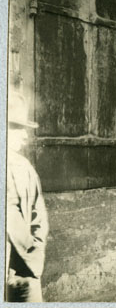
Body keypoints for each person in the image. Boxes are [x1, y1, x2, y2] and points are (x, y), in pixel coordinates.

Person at [5, 93, 48, 302]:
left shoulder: (24, 168)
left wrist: (34, 259)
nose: (25, 136)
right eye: (16, 127)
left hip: (23, 274)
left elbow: (38, 218)